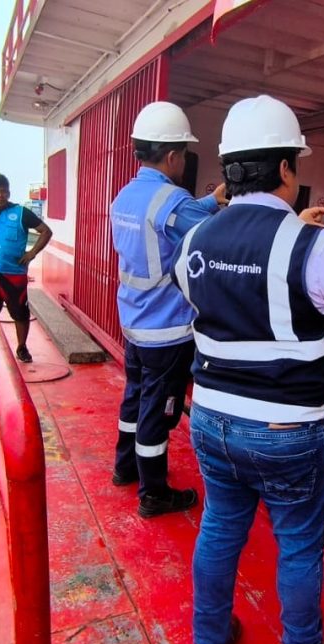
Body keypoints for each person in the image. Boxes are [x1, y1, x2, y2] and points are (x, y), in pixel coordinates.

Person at [173, 95, 324, 644]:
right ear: (286, 170)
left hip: (211, 420)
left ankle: (208, 643)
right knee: (297, 543)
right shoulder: (316, 246)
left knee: (220, 529)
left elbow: (222, 283)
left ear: (229, 170)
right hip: (288, 430)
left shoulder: (194, 242)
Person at [110, 101, 228, 518]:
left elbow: (174, 217)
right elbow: (199, 231)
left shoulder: (125, 196)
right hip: (167, 330)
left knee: (134, 399)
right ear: (175, 155)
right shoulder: (171, 200)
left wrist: (210, 200)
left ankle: (124, 469)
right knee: (158, 414)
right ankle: (154, 492)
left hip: (134, 324)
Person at [0, 173, 53, 362]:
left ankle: (21, 348)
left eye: (4, 192)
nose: (0, 195)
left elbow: (46, 231)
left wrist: (32, 253)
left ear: (9, 192)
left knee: (20, 313)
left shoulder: (21, 213)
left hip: (13, 274)